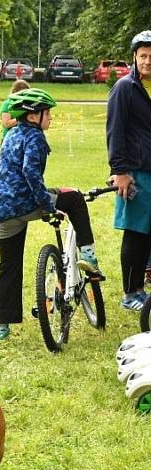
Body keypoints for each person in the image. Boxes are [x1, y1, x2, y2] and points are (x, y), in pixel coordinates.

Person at [0, 89, 104, 340]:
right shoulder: (35, 137)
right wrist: (48, 206)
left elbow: (5, 171)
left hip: (3, 209)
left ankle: (3, 323)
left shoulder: (10, 134)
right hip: (27, 202)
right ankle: (89, 256)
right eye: (47, 113)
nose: (50, 118)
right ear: (33, 116)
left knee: (8, 265)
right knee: (74, 198)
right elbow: (30, 172)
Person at [106, 30, 151, 311]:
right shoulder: (125, 87)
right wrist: (119, 170)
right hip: (135, 172)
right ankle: (130, 293)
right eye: (143, 56)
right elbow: (115, 130)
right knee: (136, 233)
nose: (148, 61)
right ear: (134, 57)